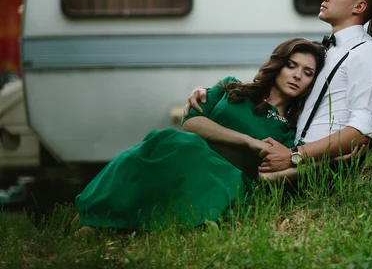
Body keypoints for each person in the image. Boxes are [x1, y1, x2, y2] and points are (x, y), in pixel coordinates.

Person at [74, 38, 325, 231]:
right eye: (291, 65)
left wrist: (331, 160)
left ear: (312, 83)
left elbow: (271, 176)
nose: (296, 75)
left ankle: (109, 225)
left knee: (180, 148)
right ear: (278, 65)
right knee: (168, 141)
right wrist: (248, 141)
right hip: (185, 155)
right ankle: (98, 212)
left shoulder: (289, 132)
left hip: (224, 181)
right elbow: (192, 124)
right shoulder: (232, 88)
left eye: (307, 72)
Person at [185, 0, 372, 179]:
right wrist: (209, 92)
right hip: (287, 160)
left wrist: (294, 155)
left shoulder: (365, 54)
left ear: (359, 6)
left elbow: (363, 129)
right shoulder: (328, 51)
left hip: (309, 169)